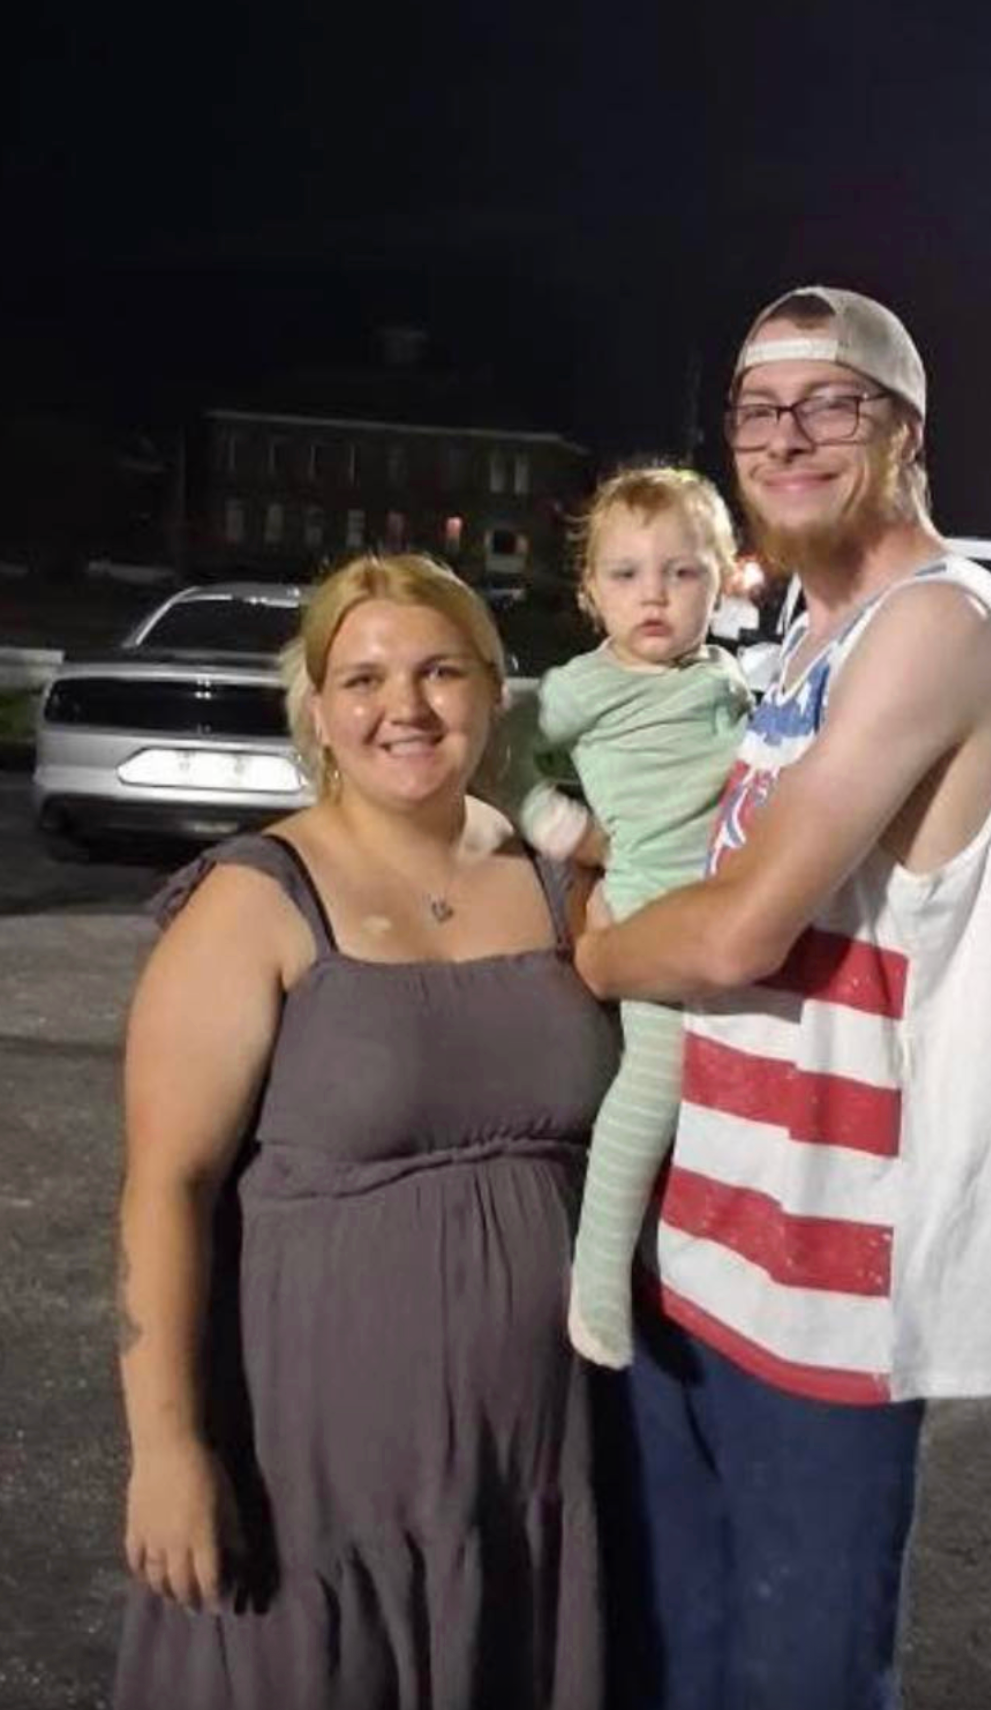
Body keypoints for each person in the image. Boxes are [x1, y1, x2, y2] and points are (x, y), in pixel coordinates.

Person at [574, 286, 991, 1710]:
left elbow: (735, 932)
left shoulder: (940, 623)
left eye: (828, 404)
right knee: (674, 1656)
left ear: (905, 431)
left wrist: (597, 953)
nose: (783, 438)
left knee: (797, 1677)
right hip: (701, 1234)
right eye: (755, 409)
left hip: (827, 1274)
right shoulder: (795, 639)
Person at [112, 554, 623, 1710]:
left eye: (440, 671)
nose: (406, 707)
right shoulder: (255, 900)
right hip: (315, 1470)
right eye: (363, 679)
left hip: (536, 1463)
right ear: (319, 710)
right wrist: (167, 1449)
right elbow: (167, 1185)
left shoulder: (561, 882)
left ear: (492, 688)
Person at [503, 465, 752, 1370]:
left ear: (722, 583)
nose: (655, 595)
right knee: (655, 1083)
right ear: (589, 591)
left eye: (682, 573)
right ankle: (597, 1280)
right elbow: (501, 752)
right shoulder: (583, 686)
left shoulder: (722, 674)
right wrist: (567, 831)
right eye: (627, 574)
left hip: (734, 905)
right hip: (652, 910)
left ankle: (696, 1261)